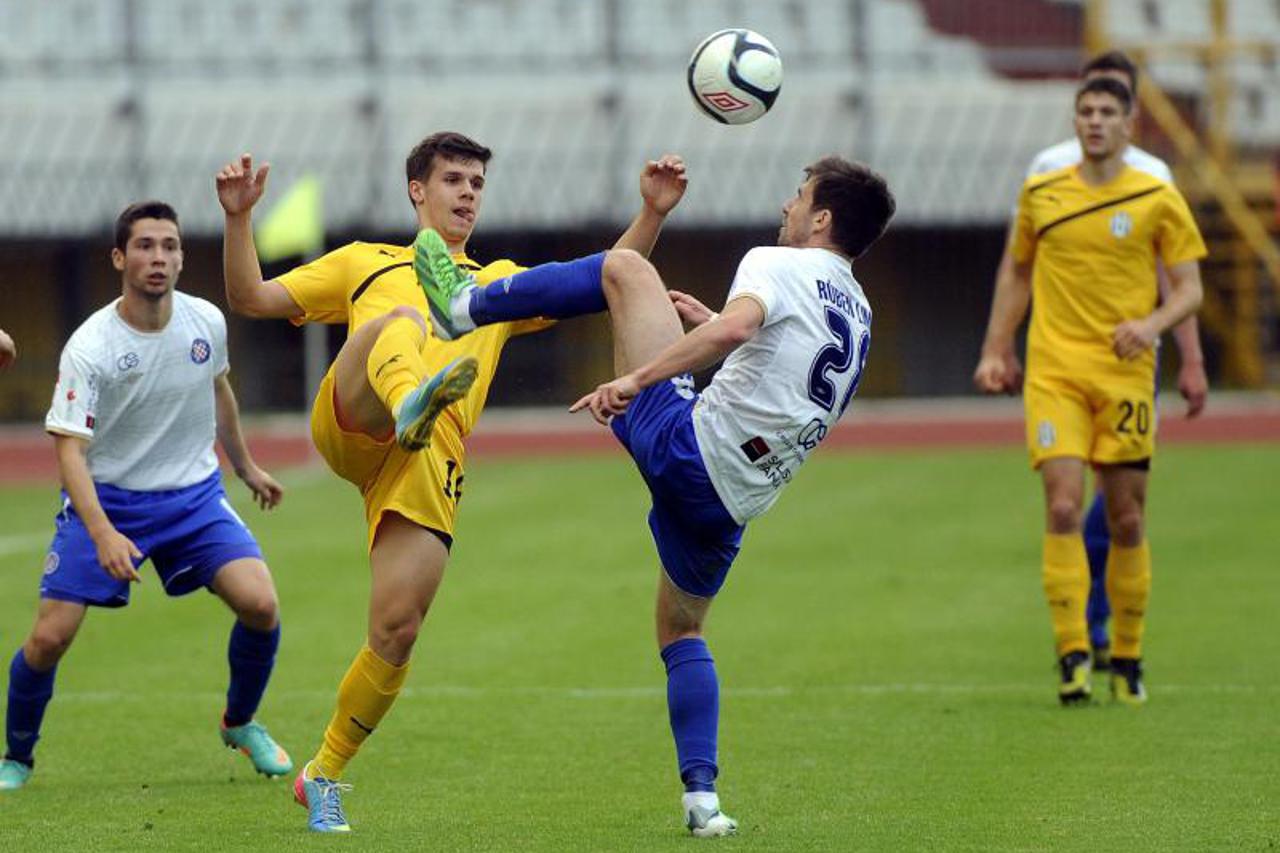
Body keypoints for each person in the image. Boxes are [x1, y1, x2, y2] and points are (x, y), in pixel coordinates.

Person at [215, 133, 688, 832]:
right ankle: (410, 391)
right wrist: (236, 218)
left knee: (397, 631)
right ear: (418, 190)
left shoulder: (497, 283)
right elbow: (250, 295)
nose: (468, 192)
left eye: (476, 182)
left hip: (431, 452)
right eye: (454, 179)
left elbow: (608, 278)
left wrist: (650, 212)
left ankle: (323, 773)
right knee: (400, 321)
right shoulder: (365, 262)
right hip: (357, 415)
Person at [415, 155, 895, 836]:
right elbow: (776, 370)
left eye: (799, 196)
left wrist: (637, 379)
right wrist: (719, 324)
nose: (786, 206)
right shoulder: (860, 309)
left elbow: (734, 330)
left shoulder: (777, 262)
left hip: (691, 452)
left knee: (626, 271)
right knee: (682, 629)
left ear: (821, 218)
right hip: (737, 501)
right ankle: (703, 802)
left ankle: (461, 307)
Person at [0, 201, 291, 791]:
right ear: (119, 257)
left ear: (182, 257)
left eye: (169, 246)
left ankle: (240, 721)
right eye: (145, 246)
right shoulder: (90, 346)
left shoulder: (205, 320)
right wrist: (104, 532)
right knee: (50, 637)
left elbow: (220, 393)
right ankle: (17, 756)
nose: (159, 257)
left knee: (261, 606)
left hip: (192, 497)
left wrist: (246, 467)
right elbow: (68, 453)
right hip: (108, 500)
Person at [974, 78, 1206, 705]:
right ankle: (1072, 652)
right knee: (1061, 507)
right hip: (1055, 371)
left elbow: (1189, 289)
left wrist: (1152, 327)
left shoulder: (1157, 196)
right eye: (1086, 112)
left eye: (1107, 112)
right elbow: (1018, 270)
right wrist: (997, 346)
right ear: (1076, 122)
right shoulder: (1043, 191)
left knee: (1128, 516)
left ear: (1130, 125)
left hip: (1125, 372)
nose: (1096, 121)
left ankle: (1127, 655)